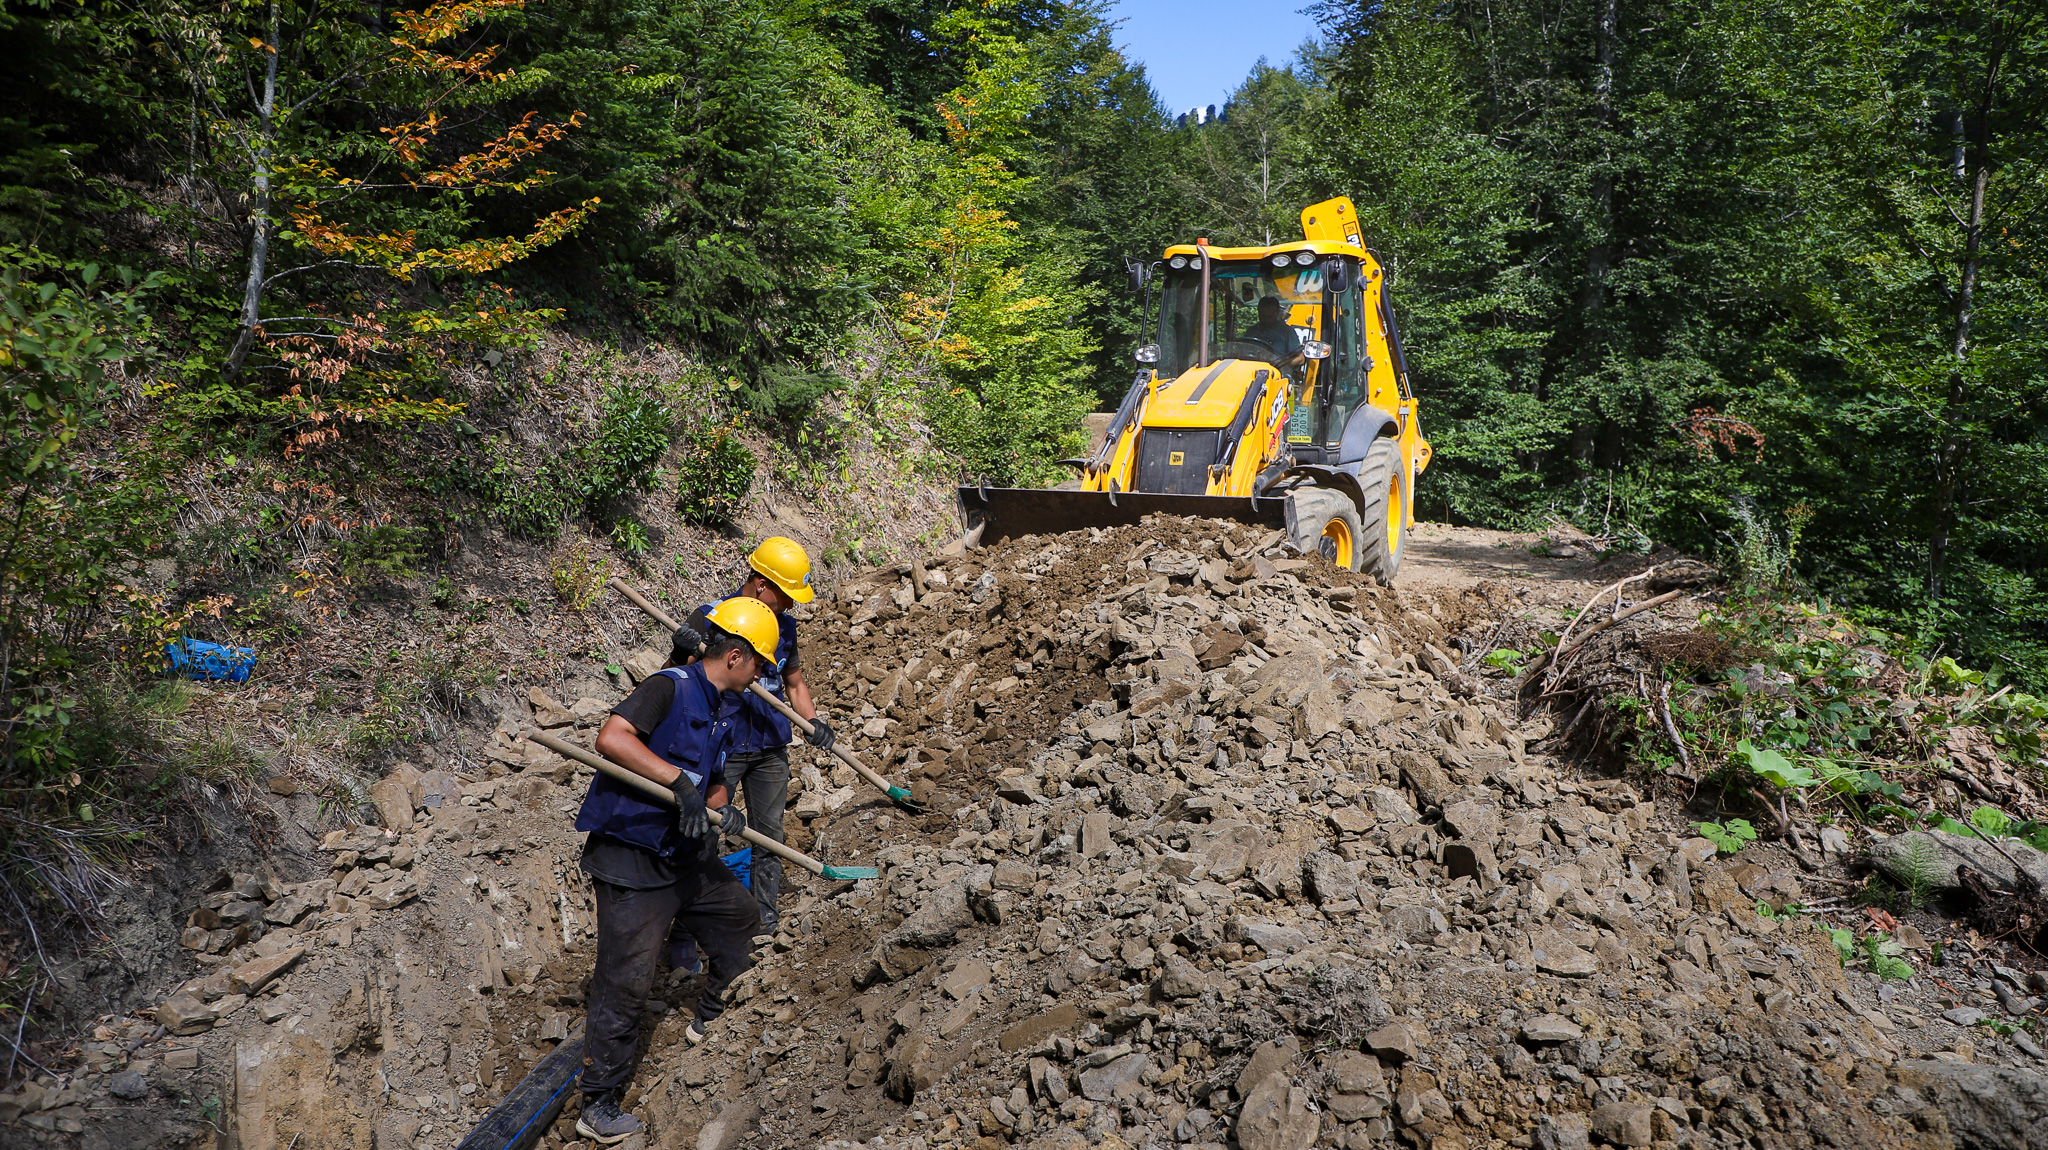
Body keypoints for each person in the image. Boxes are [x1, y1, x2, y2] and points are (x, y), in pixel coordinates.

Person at [570, 597, 780, 1145]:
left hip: (685, 855)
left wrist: (718, 803)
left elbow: (714, 779)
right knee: (626, 980)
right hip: (633, 857)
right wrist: (675, 782)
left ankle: (711, 1013)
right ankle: (598, 1104)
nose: (760, 675)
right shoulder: (669, 687)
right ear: (735, 656)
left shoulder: (725, 707)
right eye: (758, 664)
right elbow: (611, 739)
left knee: (740, 919)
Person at [683, 537, 833, 934]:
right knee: (705, 831)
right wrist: (683, 651)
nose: (790, 604)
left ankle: (764, 919)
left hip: (768, 745)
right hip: (722, 749)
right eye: (786, 595)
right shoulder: (712, 618)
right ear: (762, 584)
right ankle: (689, 924)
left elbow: (794, 682)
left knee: (770, 835)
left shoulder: (785, 626)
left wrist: (813, 722)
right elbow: (678, 680)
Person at [1242, 295, 1305, 366]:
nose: (1266, 320)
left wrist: (1281, 364)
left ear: (1277, 313)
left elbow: (1300, 359)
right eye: (1262, 316)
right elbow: (1242, 354)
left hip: (1278, 372)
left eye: (1270, 316)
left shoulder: (1287, 331)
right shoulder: (1251, 332)